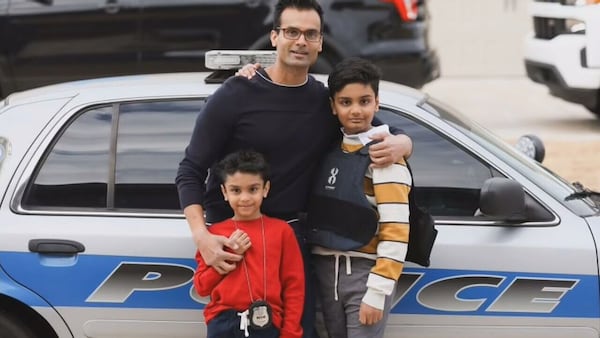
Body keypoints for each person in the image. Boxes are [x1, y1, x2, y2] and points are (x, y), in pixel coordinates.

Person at [176, 1, 412, 336]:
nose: (301, 41)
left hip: (294, 242)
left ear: (319, 43)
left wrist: (405, 143)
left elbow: (372, 127)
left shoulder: (324, 102)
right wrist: (203, 237)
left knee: (299, 331)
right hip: (234, 243)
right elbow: (190, 169)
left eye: (310, 34)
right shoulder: (235, 95)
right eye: (292, 32)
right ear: (274, 37)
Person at [307, 57, 411, 338]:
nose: (356, 110)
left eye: (364, 101)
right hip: (322, 274)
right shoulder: (328, 151)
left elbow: (397, 232)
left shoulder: (385, 158)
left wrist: (377, 293)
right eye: (346, 102)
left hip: (364, 277)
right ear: (333, 106)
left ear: (377, 103)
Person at [194, 150, 305, 338]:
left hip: (266, 321)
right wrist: (229, 253)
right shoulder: (214, 235)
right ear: (224, 192)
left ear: (265, 189)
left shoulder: (282, 231)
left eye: (253, 189)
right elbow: (202, 287)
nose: (245, 198)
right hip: (222, 322)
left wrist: (290, 332)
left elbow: (294, 286)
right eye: (236, 190)